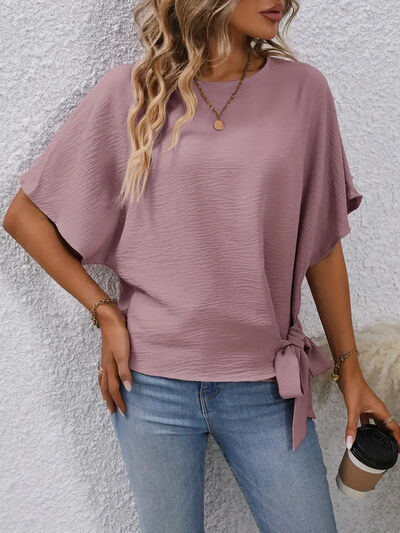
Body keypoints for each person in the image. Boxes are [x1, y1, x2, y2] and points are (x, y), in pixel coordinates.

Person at [3, 1, 399, 532]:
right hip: (151, 383)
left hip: (267, 385)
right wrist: (105, 311)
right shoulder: (132, 90)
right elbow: (24, 218)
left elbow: (321, 243)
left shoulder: (304, 91)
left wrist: (352, 372)